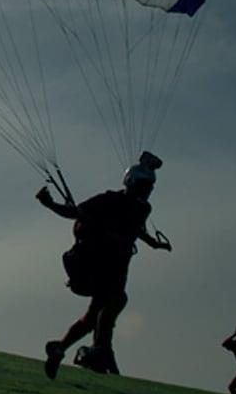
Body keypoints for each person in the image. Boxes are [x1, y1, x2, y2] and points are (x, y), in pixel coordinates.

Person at [40, 151, 171, 378]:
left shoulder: (139, 208)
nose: (148, 191)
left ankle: (60, 348)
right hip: (96, 267)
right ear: (133, 183)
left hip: (113, 269)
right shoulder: (110, 201)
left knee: (93, 316)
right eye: (145, 186)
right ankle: (99, 351)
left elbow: (134, 230)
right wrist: (50, 204)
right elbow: (75, 213)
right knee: (116, 301)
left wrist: (154, 244)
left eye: (150, 187)